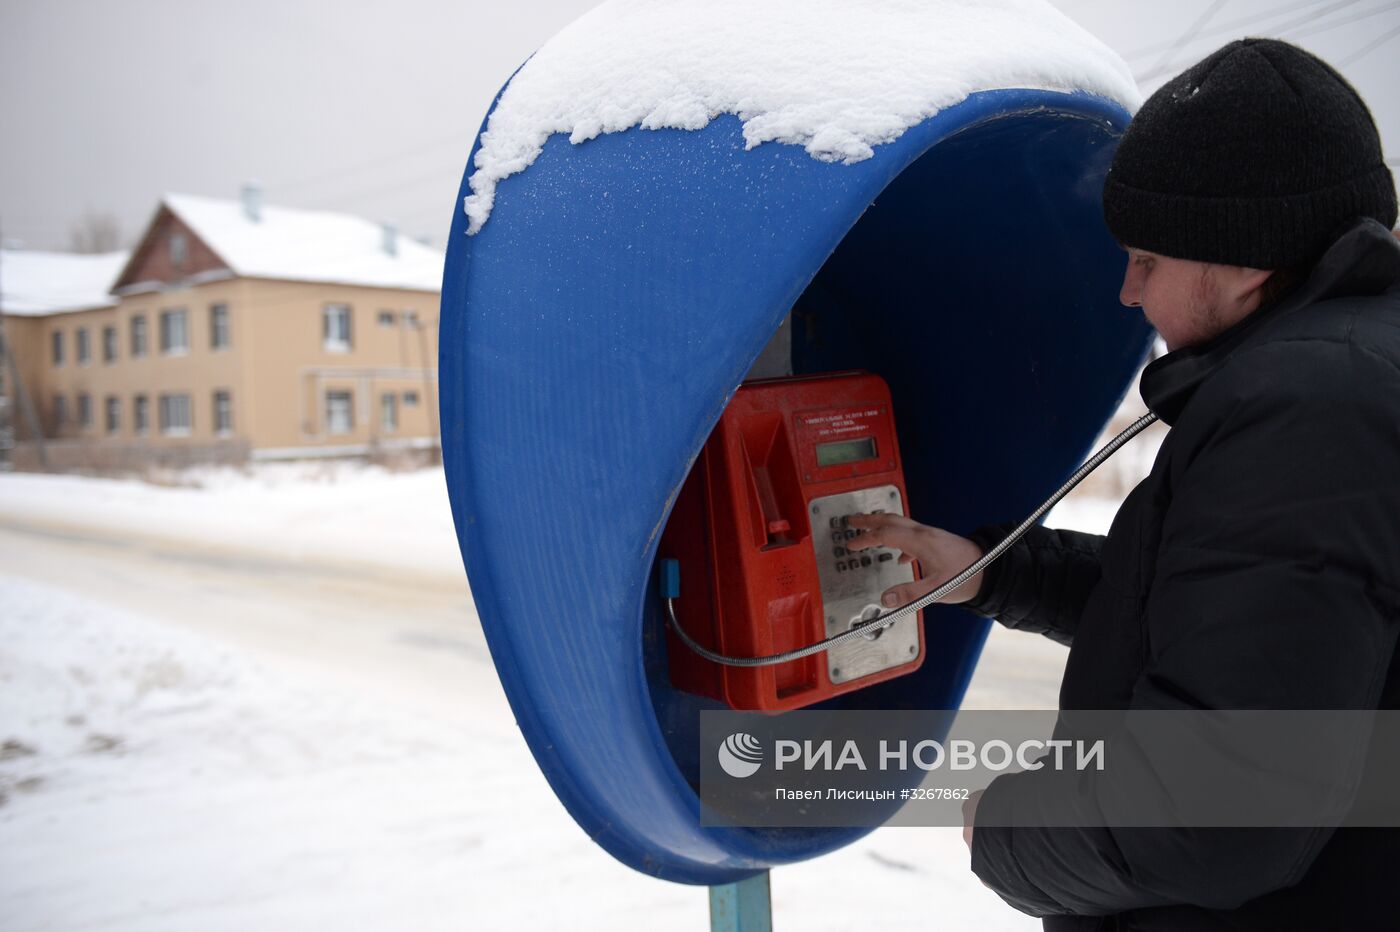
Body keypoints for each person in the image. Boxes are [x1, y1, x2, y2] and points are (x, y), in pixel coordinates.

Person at [846, 38, 1399, 930]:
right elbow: (1222, 606)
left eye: (1148, 260)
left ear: (1249, 260)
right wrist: (995, 571)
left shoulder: (1309, 407)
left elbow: (1219, 814)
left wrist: (1005, 829)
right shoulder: (1344, 371)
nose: (1127, 293)